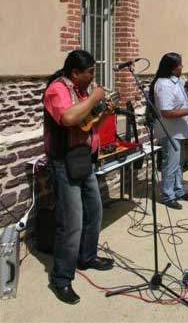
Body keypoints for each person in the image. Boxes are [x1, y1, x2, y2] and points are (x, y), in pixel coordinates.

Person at [43, 50, 115, 305]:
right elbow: (69, 117)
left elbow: (86, 125)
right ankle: (61, 278)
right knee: (71, 221)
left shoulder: (82, 91)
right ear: (74, 73)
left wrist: (103, 112)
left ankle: (87, 256)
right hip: (64, 162)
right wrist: (95, 96)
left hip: (84, 159)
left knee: (94, 211)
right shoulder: (57, 90)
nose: (93, 76)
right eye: (90, 72)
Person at [149, 52, 188, 210]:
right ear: (172, 68)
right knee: (170, 164)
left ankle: (178, 190)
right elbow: (166, 111)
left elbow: (179, 95)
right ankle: (167, 195)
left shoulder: (176, 81)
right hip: (169, 131)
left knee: (178, 163)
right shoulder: (163, 84)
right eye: (179, 65)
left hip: (179, 129)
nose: (182, 67)